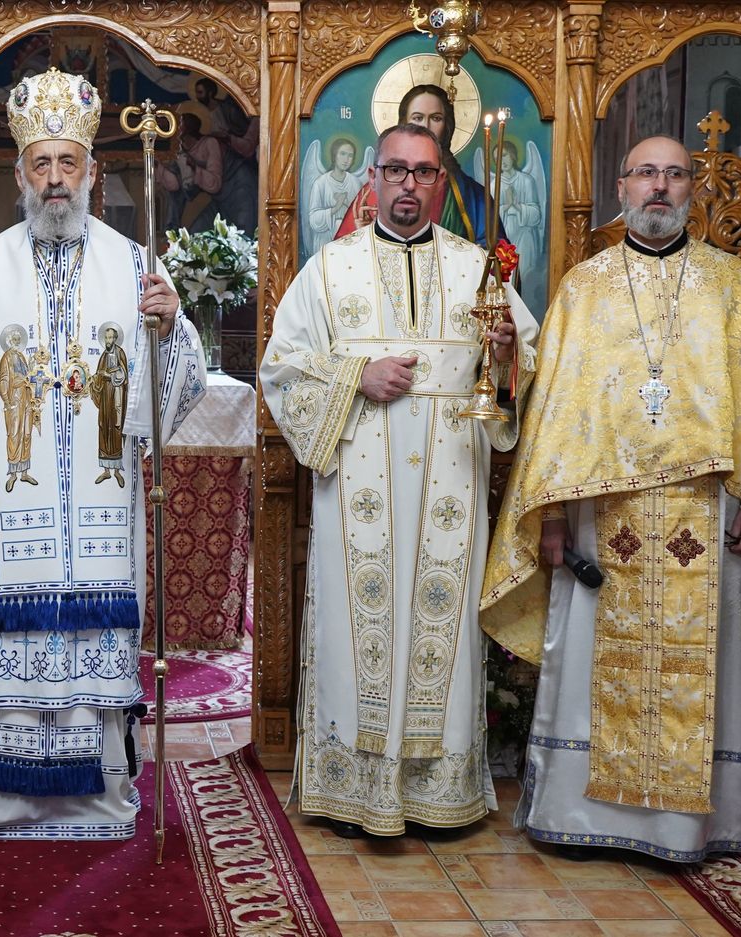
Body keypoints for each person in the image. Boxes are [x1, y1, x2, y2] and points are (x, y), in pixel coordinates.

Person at [0, 68, 206, 841]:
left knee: (97, 648)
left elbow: (176, 390)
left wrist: (172, 326)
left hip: (102, 502)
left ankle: (97, 798)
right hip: (4, 505)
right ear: (22, 173)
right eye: (42, 164)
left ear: (93, 172)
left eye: (69, 163)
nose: (56, 179)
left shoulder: (134, 265)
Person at [480, 136, 741, 862]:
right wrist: (551, 517)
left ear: (693, 189)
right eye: (646, 173)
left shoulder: (730, 284)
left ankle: (693, 827)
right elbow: (554, 414)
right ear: (621, 187)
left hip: (707, 511)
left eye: (675, 175)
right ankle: (579, 813)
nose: (660, 186)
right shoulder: (585, 287)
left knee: (708, 665)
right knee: (588, 662)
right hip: (603, 515)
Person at [265, 122, 536, 837]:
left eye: (423, 172)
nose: (408, 185)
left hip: (452, 486)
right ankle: (352, 791)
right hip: (358, 493)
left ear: (442, 182)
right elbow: (281, 367)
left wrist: (507, 351)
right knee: (355, 630)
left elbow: (524, 367)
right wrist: (357, 375)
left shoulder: (479, 269)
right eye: (395, 170)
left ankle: (437, 792)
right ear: (373, 178)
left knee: (442, 628)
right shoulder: (329, 270)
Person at [336, 84, 487, 243]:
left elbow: (491, 251)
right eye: (417, 118)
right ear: (404, 122)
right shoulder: (375, 189)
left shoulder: (473, 195)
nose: (426, 126)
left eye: (436, 118)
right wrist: (369, 236)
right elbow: (345, 250)